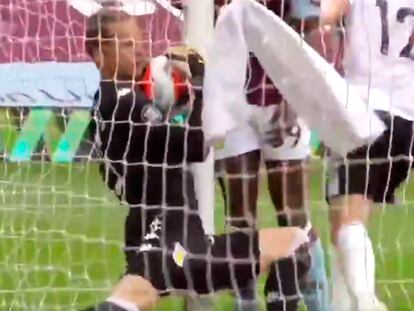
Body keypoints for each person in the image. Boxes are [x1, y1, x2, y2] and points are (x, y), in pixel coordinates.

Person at [81, 9, 310, 311]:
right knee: (295, 242)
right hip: (174, 237)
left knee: (131, 300)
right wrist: (202, 84)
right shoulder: (126, 104)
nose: (139, 51)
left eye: (138, 42)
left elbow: (156, 143)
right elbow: (197, 144)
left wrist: (179, 104)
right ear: (99, 52)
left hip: (150, 232)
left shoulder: (107, 102)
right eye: (125, 44)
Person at [213, 1, 331, 310]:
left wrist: (294, 92)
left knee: (293, 214)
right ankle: (246, 305)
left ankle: (319, 302)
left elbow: (307, 24)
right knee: (239, 217)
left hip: (280, 98)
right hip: (229, 98)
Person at [321, 0, 414, 309]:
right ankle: (346, 304)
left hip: (361, 107)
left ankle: (366, 301)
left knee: (348, 216)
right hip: (406, 118)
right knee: (346, 224)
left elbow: (326, 15)